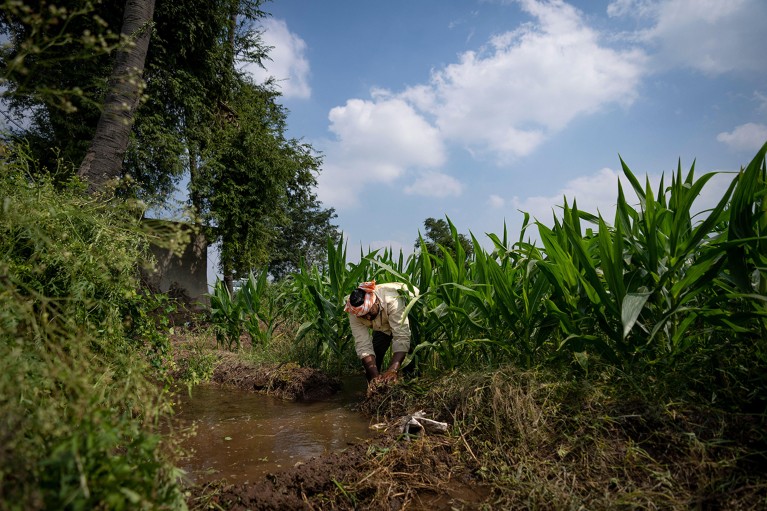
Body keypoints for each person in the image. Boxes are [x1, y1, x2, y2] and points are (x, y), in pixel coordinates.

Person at [344, 280, 418, 384]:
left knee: (411, 353)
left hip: (407, 313)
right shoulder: (354, 311)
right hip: (382, 324)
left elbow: (402, 336)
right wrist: (375, 376)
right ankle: (374, 384)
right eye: (363, 316)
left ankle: (409, 381)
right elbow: (363, 346)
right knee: (376, 353)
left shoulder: (392, 300)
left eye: (369, 312)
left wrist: (392, 370)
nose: (368, 317)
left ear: (376, 302)